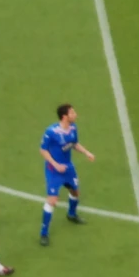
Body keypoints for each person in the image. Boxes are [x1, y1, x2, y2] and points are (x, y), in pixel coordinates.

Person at [37, 104, 96, 244]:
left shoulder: (73, 128)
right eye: (72, 112)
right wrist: (56, 165)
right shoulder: (51, 131)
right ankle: (44, 233)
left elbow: (74, 144)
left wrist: (87, 152)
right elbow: (43, 150)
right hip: (54, 170)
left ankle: (71, 214)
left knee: (75, 192)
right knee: (52, 200)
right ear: (65, 116)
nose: (75, 114)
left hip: (68, 168)